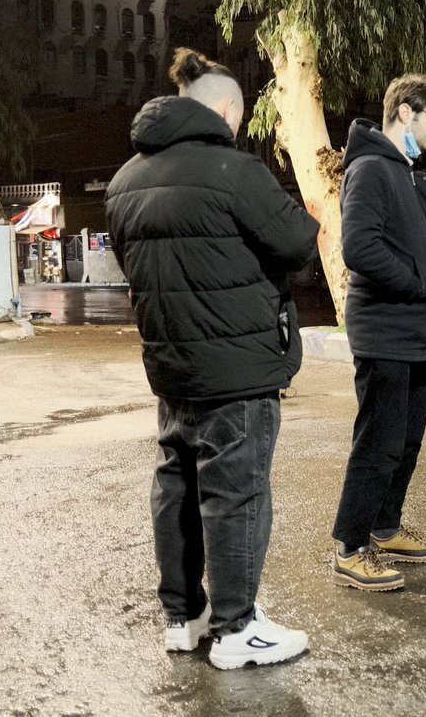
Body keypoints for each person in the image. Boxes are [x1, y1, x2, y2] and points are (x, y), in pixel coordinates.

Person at [105, 48, 319, 669]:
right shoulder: (236, 171)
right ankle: (237, 628)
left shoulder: (123, 182)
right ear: (227, 111)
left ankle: (184, 617)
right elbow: (298, 243)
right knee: (236, 494)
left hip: (170, 364)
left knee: (176, 485)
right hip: (238, 368)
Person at [329, 74, 426, 591]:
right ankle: (350, 548)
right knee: (378, 443)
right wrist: (418, 285)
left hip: (413, 331)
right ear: (406, 112)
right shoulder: (369, 169)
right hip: (384, 329)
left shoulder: (407, 174)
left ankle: (384, 528)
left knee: (406, 441)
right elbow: (360, 247)